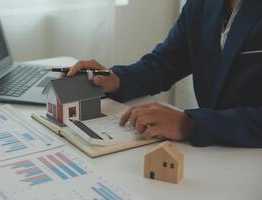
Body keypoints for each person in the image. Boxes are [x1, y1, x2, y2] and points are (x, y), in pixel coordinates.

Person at [67, 0, 262, 147]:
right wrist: (117, 79)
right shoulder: (200, 4)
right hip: (212, 155)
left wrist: (193, 124)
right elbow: (165, 63)